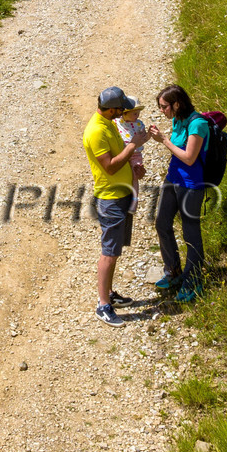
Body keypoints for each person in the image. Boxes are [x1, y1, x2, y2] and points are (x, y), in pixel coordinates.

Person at [83, 86, 148, 326]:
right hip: (110, 198)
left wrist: (134, 169)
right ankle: (103, 305)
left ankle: (109, 294)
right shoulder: (96, 131)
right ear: (110, 108)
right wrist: (134, 144)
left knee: (115, 249)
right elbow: (109, 166)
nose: (122, 113)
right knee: (109, 253)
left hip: (122, 193)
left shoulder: (109, 123)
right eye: (120, 109)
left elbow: (120, 159)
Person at [153, 85, 210, 302]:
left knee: (190, 234)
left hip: (191, 186)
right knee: (162, 223)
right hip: (172, 180)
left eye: (164, 107)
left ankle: (193, 280)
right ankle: (174, 271)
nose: (162, 111)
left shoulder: (197, 124)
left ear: (177, 104)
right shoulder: (178, 120)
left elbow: (189, 157)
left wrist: (164, 140)